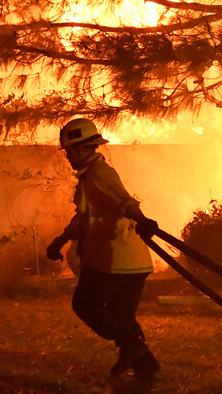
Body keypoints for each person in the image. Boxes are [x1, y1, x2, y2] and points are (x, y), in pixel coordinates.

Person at [46, 118, 160, 384]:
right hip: (132, 261)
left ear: (81, 148)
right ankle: (143, 366)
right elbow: (84, 218)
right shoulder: (90, 178)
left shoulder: (99, 174)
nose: (67, 157)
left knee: (85, 304)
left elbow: (124, 201)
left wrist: (142, 220)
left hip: (112, 260)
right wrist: (59, 241)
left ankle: (136, 351)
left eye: (69, 151)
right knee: (122, 316)